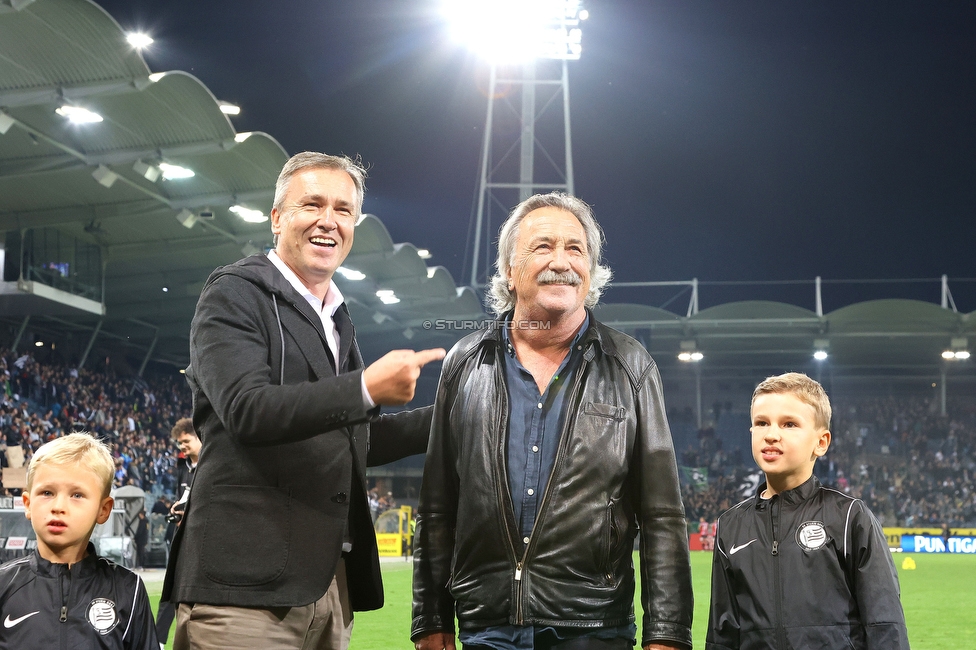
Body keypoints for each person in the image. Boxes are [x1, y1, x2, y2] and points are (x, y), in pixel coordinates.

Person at [162, 152, 445, 650]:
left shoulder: (336, 318)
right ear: (276, 218)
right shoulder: (234, 293)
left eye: (343, 210)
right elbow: (248, 409)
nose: (328, 221)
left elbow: (352, 438)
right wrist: (365, 389)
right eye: (311, 204)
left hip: (328, 587)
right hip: (243, 592)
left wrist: (452, 415)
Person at [412, 193, 694, 650]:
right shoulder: (464, 363)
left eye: (575, 248)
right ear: (508, 269)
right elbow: (438, 507)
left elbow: (662, 515)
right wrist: (430, 618)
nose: (561, 262)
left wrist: (667, 634)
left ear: (590, 270)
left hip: (595, 628)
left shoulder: (631, 366)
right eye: (542, 247)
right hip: (488, 628)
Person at [706, 373, 909, 649]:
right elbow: (722, 634)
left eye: (789, 424)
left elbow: (884, 624)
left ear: (821, 442)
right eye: (761, 423)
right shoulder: (730, 526)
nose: (772, 434)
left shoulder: (849, 517)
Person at [0, 432, 158, 649]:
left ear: (103, 510)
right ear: (27, 503)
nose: (58, 506)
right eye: (47, 492)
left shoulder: (128, 589)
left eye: (77, 495)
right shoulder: (4, 584)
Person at [155, 418, 202, 647]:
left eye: (186, 441)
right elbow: (184, 496)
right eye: (179, 443)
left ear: (199, 436)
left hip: (201, 538)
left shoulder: (211, 465)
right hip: (181, 534)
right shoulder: (183, 467)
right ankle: (159, 642)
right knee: (170, 585)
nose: (182, 446)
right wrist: (178, 507)